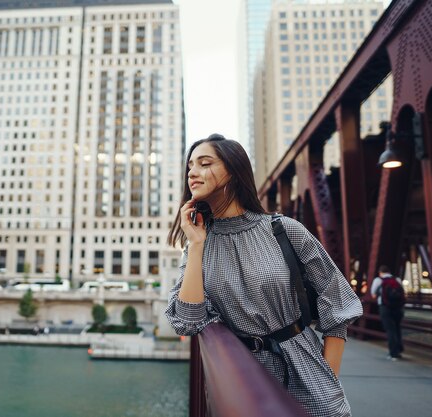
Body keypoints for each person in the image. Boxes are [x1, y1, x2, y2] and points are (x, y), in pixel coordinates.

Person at [165, 134, 362, 417]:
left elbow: (339, 304)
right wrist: (196, 245)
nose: (192, 173)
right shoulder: (198, 244)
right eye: (190, 167)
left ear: (233, 171)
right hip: (244, 382)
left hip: (309, 376)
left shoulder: (283, 229)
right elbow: (186, 322)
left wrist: (327, 378)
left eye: (204, 163)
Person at [370, 265, 404, 360]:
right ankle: (399, 349)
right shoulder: (397, 279)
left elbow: (373, 294)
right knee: (397, 328)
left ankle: (393, 353)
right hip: (398, 308)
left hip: (385, 307)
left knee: (390, 329)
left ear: (380, 272)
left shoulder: (378, 280)